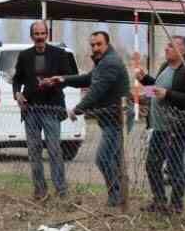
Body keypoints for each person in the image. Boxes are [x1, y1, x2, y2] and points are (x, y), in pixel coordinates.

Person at [46, 31, 131, 207]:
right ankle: (119, 197)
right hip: (110, 117)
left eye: (99, 44)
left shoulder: (110, 63)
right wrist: (63, 79)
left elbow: (96, 89)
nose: (95, 48)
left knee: (103, 158)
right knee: (113, 159)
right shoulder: (104, 62)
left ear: (107, 44)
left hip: (117, 118)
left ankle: (115, 196)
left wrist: (78, 109)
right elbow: (88, 79)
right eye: (93, 45)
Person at [10, 21, 80, 202]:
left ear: (47, 34)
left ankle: (61, 191)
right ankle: (40, 191)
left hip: (51, 108)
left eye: (42, 33)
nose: (40, 37)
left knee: (55, 150)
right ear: (31, 36)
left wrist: (56, 81)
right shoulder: (24, 56)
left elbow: (70, 77)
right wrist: (17, 93)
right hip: (30, 109)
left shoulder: (59, 54)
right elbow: (17, 79)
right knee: (34, 152)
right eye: (36, 33)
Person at [134, 35, 185, 215]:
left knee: (174, 166)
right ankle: (159, 201)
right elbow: (158, 90)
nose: (166, 48)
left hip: (176, 127)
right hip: (159, 125)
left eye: (171, 46)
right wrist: (144, 82)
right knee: (152, 164)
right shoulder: (165, 67)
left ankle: (176, 205)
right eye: (166, 45)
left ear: (183, 50)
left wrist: (168, 94)